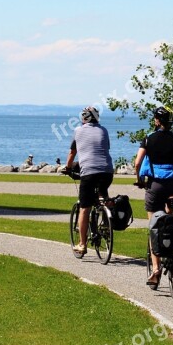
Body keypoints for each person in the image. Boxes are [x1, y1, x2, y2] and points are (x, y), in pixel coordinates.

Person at [134, 106, 173, 286]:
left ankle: (156, 270)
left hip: (155, 186)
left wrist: (139, 180)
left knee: (154, 225)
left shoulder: (148, 139)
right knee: (171, 218)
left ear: (157, 120)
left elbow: (138, 162)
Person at [65, 106, 114, 255]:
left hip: (89, 173)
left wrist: (67, 168)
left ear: (84, 118)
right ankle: (106, 216)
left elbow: (73, 152)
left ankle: (82, 244)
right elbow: (105, 148)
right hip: (107, 171)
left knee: (84, 208)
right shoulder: (103, 130)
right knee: (102, 194)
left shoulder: (78, 131)